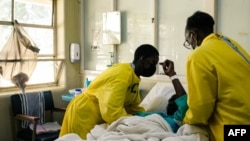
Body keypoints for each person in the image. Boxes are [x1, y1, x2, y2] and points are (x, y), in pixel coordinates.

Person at [59, 44, 159, 139]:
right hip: (84, 112)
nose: (153, 67)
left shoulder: (134, 77)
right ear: (142, 58)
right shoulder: (123, 74)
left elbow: (133, 105)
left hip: (96, 114)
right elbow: (111, 110)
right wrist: (132, 120)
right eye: (152, 62)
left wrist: (146, 118)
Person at [182, 11, 250, 141]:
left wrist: (185, 120)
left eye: (188, 41)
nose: (190, 45)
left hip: (231, 131)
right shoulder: (232, 45)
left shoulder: (199, 56)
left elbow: (200, 108)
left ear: (193, 35)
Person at [136, 59, 188, 133]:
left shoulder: (176, 122)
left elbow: (184, 103)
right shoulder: (154, 114)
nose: (171, 101)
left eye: (174, 99)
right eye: (171, 100)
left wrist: (172, 75)